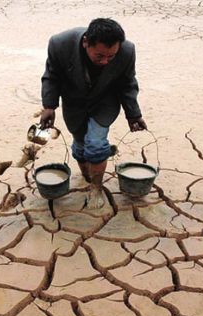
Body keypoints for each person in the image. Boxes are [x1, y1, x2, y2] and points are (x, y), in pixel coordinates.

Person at [40, 18, 147, 209]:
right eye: (99, 56)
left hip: (105, 101)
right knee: (81, 147)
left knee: (96, 143)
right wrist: (49, 107)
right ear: (85, 42)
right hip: (74, 101)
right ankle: (88, 176)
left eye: (111, 57)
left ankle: (96, 187)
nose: (105, 61)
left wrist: (133, 114)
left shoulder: (127, 50)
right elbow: (52, 76)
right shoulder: (59, 44)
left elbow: (127, 84)